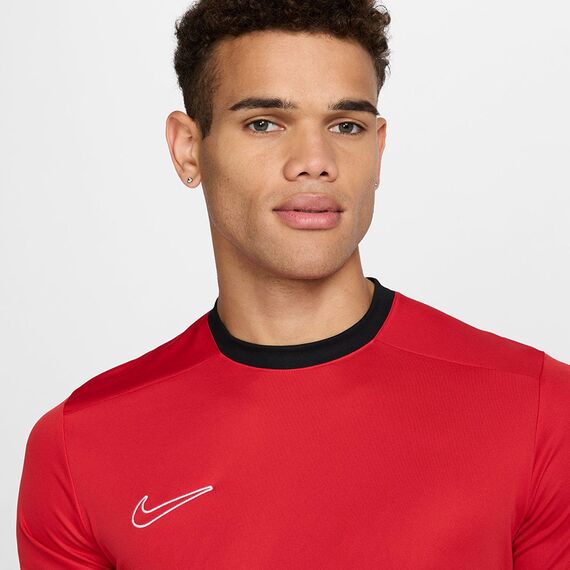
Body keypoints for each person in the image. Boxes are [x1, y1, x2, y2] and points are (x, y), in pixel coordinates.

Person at [16, 0, 569, 568]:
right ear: (188, 149)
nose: (315, 161)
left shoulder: (541, 411)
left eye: (346, 126)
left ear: (378, 149)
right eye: (264, 123)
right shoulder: (81, 447)